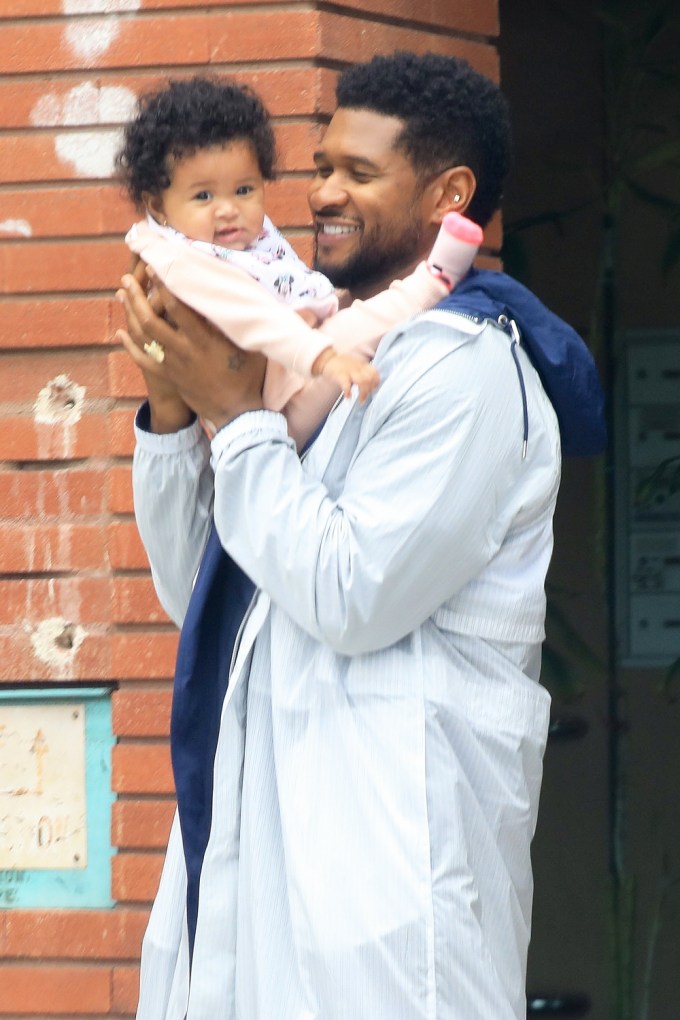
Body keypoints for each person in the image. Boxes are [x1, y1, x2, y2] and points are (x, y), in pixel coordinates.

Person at [117, 51, 606, 1020]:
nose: (322, 193)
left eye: (357, 172)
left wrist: (239, 419)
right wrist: (176, 416)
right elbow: (200, 593)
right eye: (322, 166)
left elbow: (350, 594)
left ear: (446, 192)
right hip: (259, 860)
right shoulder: (319, 355)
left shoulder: (460, 371)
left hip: (383, 883)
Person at [116, 77, 483, 445]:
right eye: (203, 196)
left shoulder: (222, 235)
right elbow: (251, 316)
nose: (227, 209)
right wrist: (323, 360)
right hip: (275, 402)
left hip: (277, 374)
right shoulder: (181, 261)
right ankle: (435, 280)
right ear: (156, 205)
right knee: (356, 329)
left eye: (244, 190)